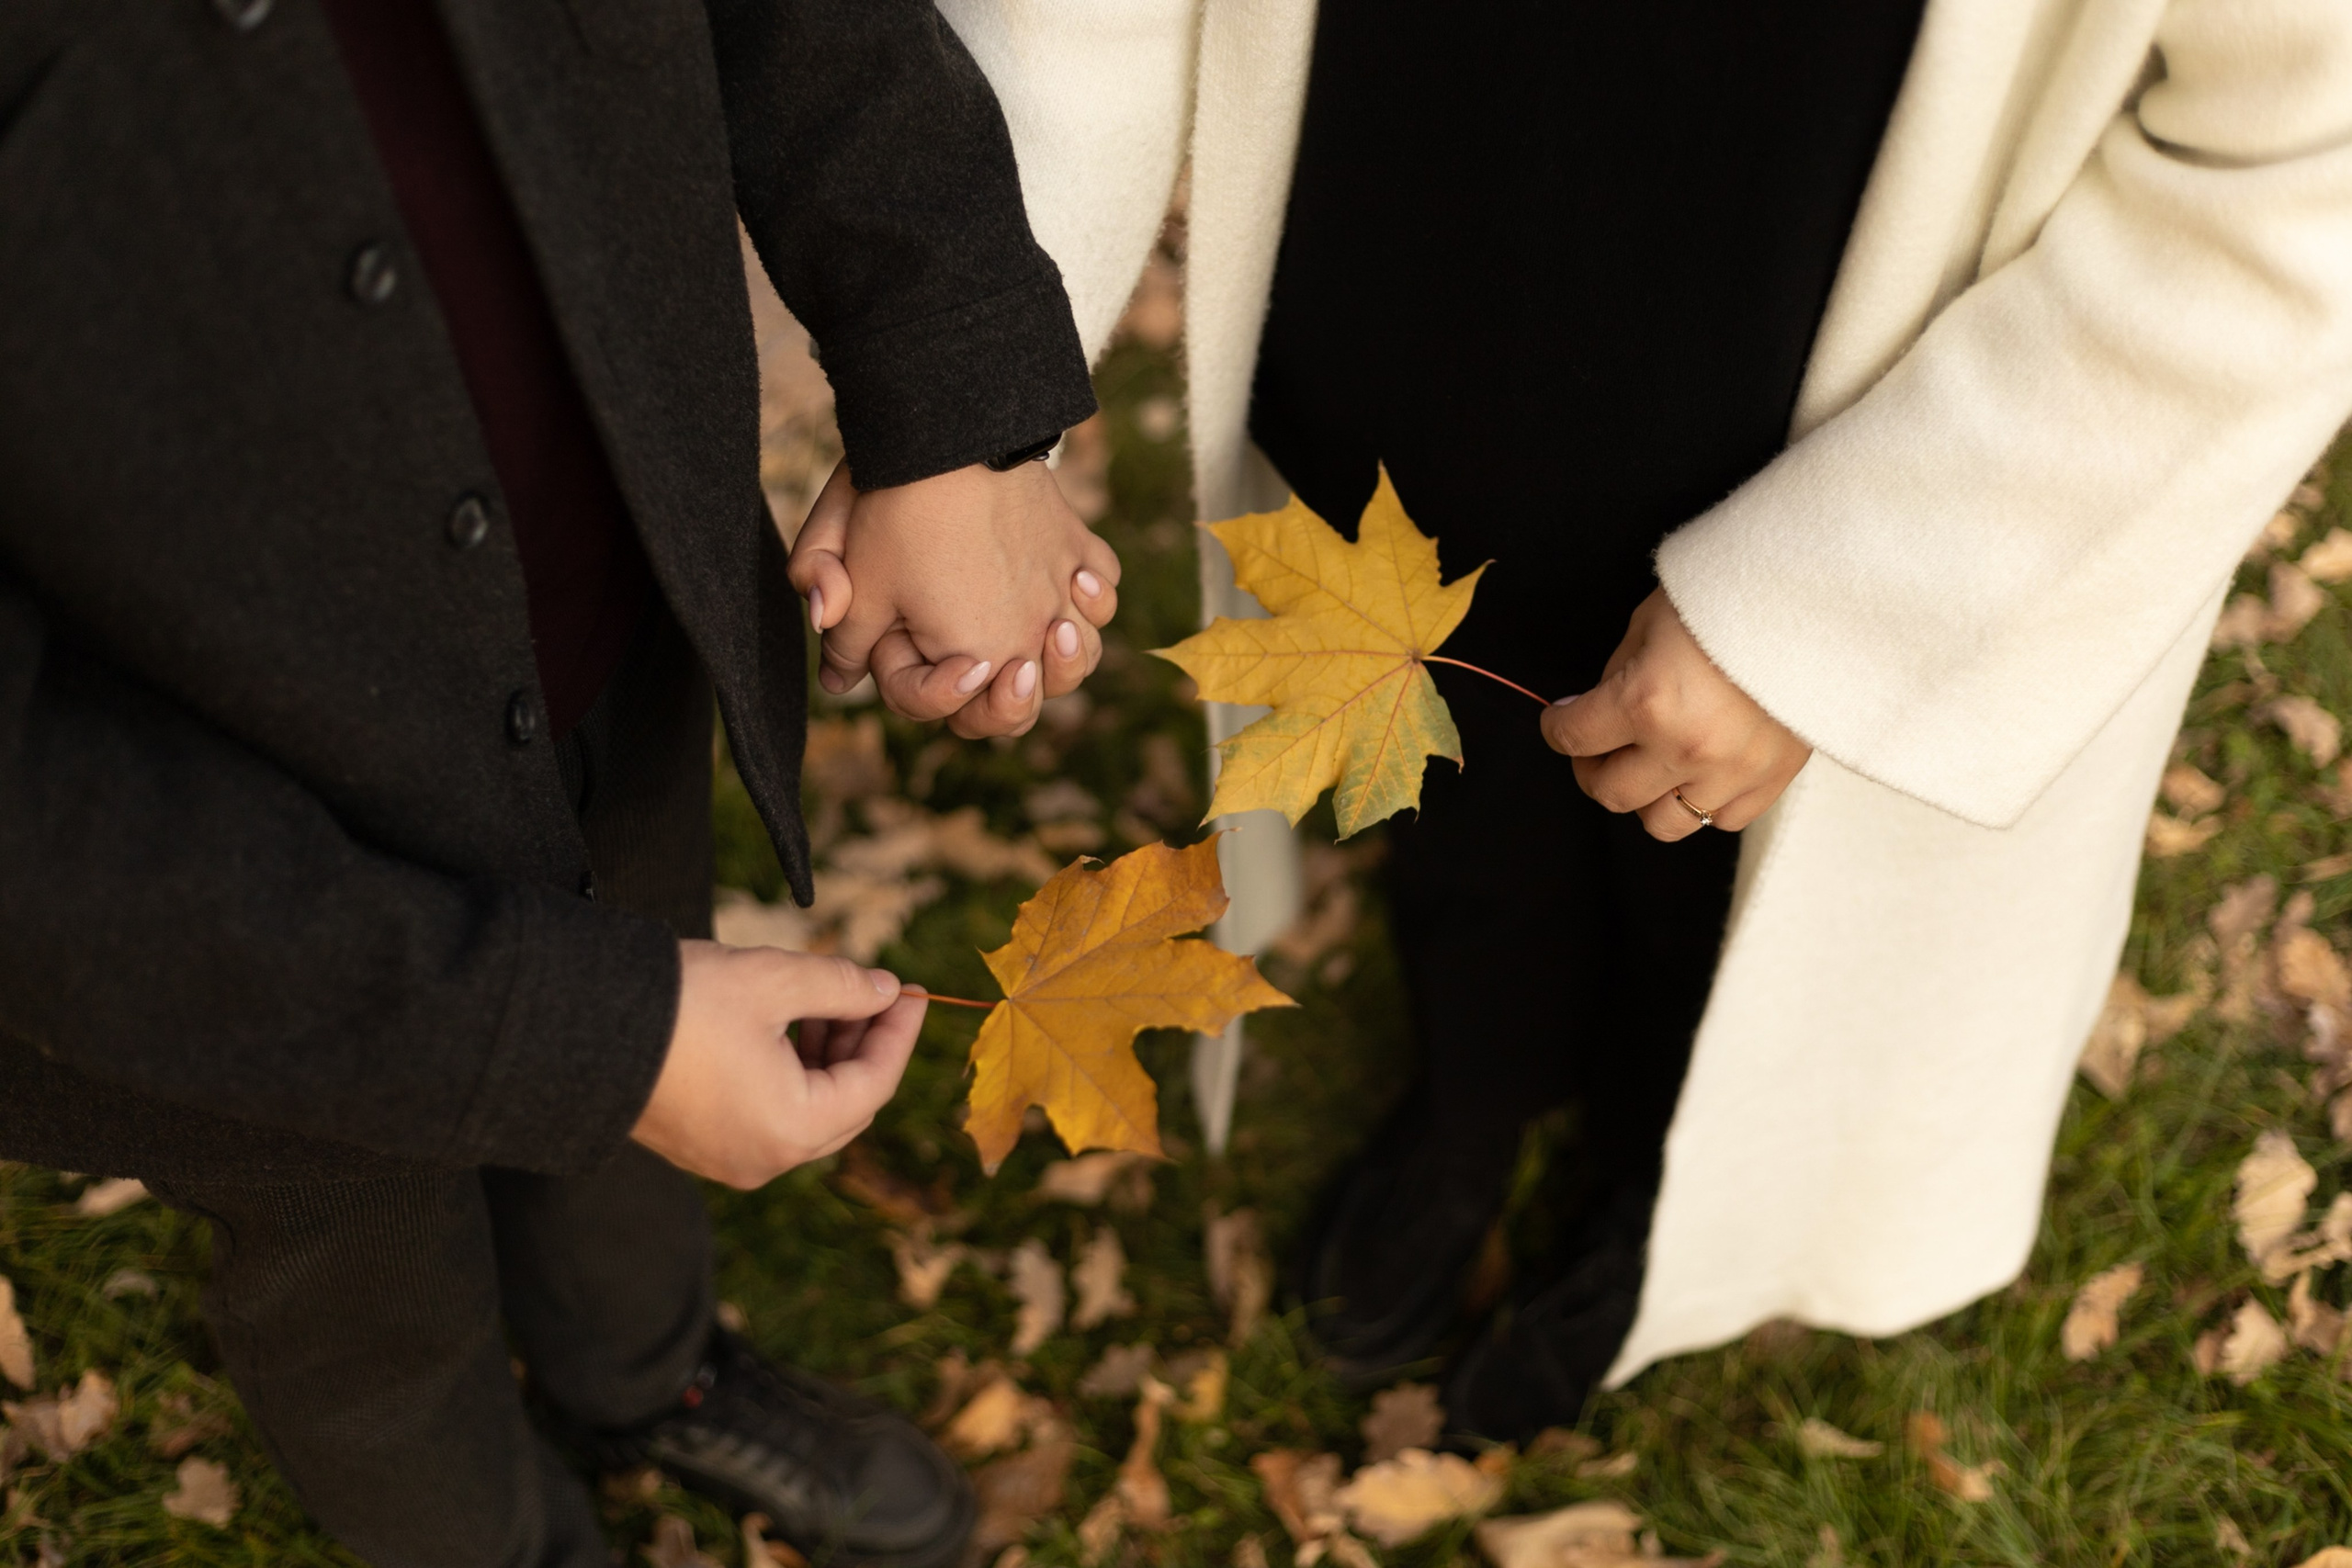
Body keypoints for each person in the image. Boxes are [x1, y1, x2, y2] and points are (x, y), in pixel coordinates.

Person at [946, 0, 2352, 1438]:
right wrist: (958, 379)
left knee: (1717, 874)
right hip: (1419, 288)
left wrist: (1837, 615)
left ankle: (1655, 1186)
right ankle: (1479, 1079)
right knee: (1459, 776)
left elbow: (2302, 167)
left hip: (1831, 402)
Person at [0, 1, 1115, 1563]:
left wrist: (953, 403)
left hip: (609, 627)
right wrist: (574, 1038)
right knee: (362, 1269)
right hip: (215, 890)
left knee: (658, 1007)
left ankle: (646, 1371)